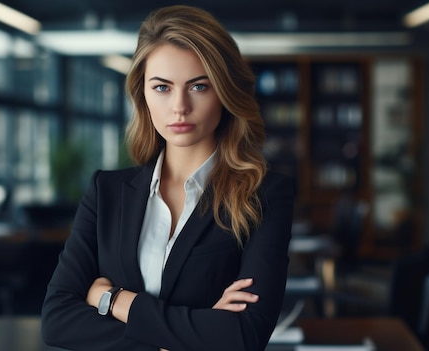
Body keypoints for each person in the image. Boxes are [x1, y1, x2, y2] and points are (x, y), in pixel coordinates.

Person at [41, 5, 294, 351]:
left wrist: (113, 300)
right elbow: (57, 321)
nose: (179, 107)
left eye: (199, 86)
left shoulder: (263, 194)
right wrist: (191, 334)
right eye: (162, 87)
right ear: (142, 94)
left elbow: (244, 336)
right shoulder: (107, 191)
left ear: (225, 92)